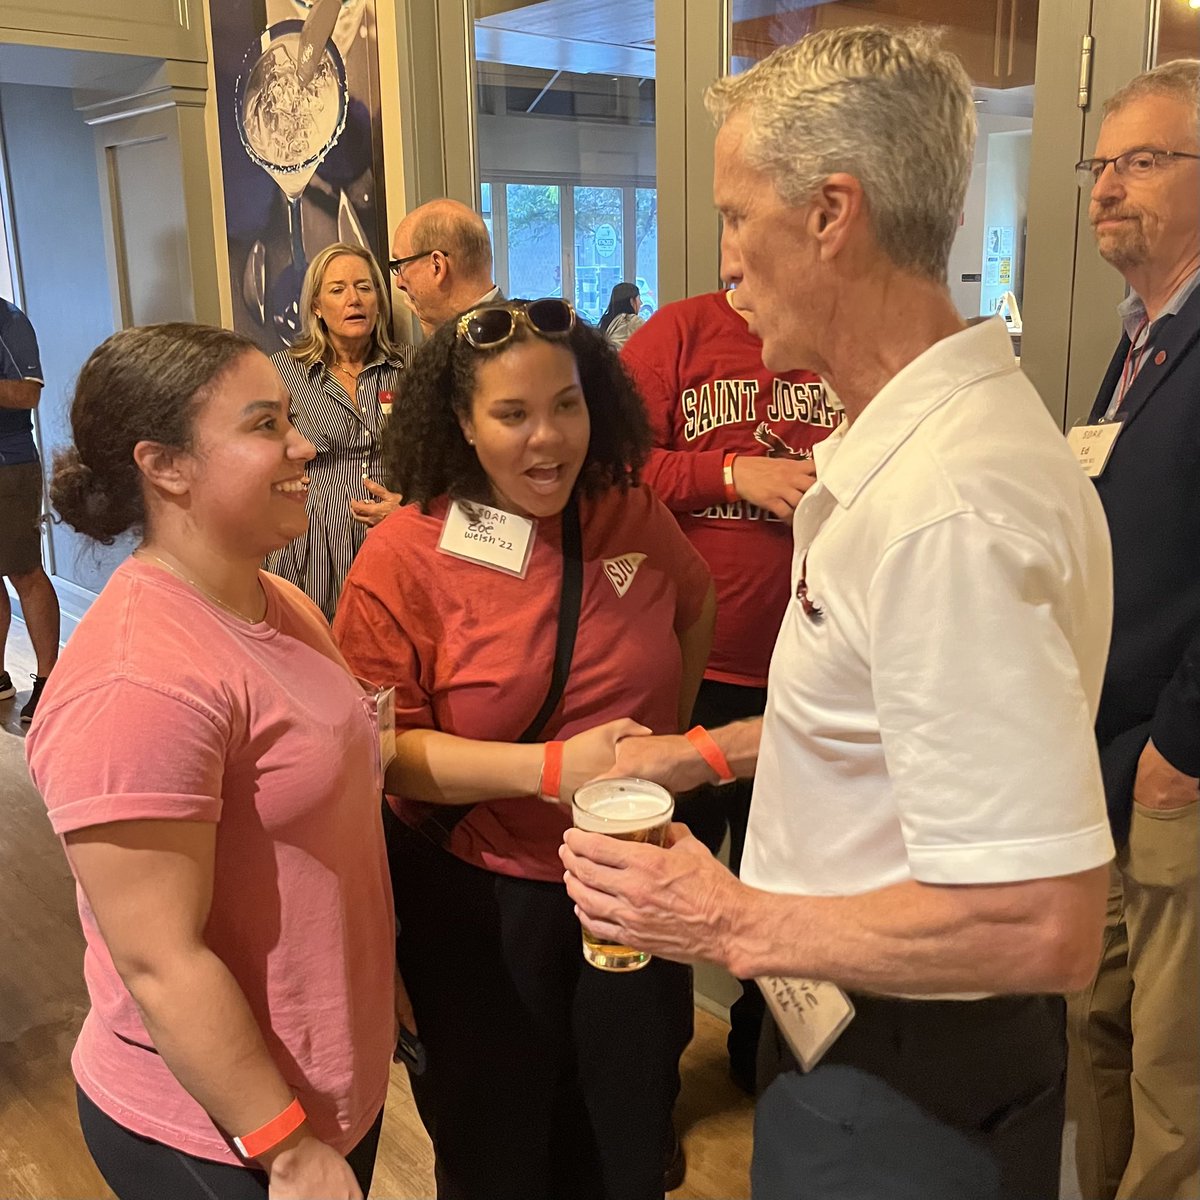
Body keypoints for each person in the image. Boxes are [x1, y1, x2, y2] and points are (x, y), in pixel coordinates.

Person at [562, 27, 1115, 1200]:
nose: (727, 265)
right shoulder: (906, 446)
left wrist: (727, 922)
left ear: (831, 214)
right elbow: (886, 720)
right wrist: (700, 753)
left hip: (911, 1066)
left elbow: (1041, 922)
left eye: (737, 217)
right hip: (863, 1040)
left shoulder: (947, 507)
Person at [333, 298, 715, 1200]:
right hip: (482, 902)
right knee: (496, 1158)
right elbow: (379, 753)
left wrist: (658, 749)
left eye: (567, 405)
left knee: (626, 1148)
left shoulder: (630, 510)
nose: (548, 439)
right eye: (512, 414)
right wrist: (551, 771)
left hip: (632, 886)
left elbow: (693, 608)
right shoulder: (403, 555)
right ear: (463, 424)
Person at [25, 323, 398, 1200]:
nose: (304, 446)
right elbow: (161, 963)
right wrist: (287, 1149)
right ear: (166, 466)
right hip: (219, 1135)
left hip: (327, 1088)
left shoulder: (281, 600)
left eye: (290, 420)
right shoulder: (136, 680)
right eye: (266, 425)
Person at [621, 287, 834, 1093]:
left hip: (813, 686)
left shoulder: (836, 330)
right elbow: (616, 465)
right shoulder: (677, 333)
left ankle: (762, 1065)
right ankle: (646, 1096)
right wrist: (733, 472)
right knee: (658, 890)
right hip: (692, 680)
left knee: (787, 889)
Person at [1065, 59, 1200, 1200]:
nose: (1106, 188)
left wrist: (1182, 747)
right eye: (1101, 164)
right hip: (1107, 755)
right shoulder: (1141, 336)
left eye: (1142, 161)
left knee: (1173, 1073)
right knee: (1093, 1027)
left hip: (1174, 769)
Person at [264, 242, 412, 621]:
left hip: (394, 532)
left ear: (379, 300)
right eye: (337, 290)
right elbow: (258, 453)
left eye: (364, 287)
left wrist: (410, 508)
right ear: (316, 306)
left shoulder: (409, 365)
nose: (354, 300)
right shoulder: (282, 371)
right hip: (312, 541)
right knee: (312, 641)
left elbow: (435, 455)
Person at [0, 296, 59, 723]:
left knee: (24, 571)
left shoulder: (9, 321)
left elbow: (27, 393)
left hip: (9, 466)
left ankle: (50, 680)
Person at [389, 199, 501, 338]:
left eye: (401, 265)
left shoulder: (509, 345)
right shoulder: (455, 335)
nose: (399, 283)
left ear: (437, 266)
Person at [599, 281, 644, 349]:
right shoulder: (633, 321)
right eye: (639, 299)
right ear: (631, 301)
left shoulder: (607, 320)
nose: (641, 303)